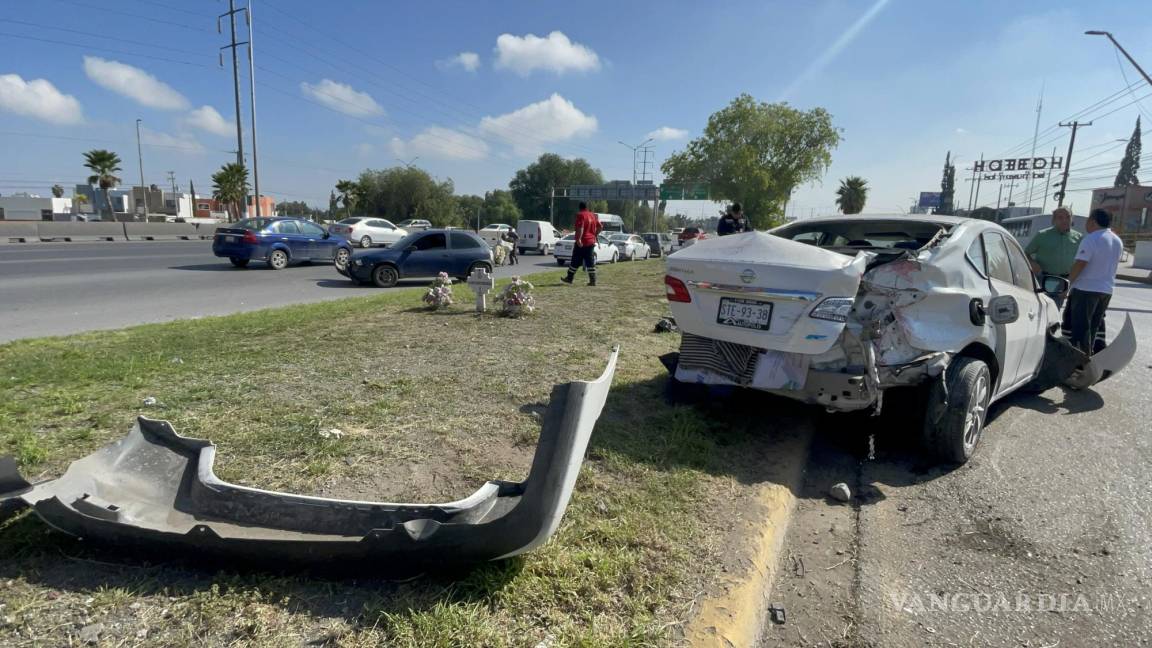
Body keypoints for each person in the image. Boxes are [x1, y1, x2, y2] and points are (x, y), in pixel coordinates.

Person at [1062, 209, 1122, 354]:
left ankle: (1078, 363)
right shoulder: (1117, 240)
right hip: (1106, 290)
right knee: (1093, 328)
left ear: (1093, 221)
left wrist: (1067, 284)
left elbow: (1080, 264)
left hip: (1086, 290)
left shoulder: (1092, 238)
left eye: (1088, 220)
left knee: (1080, 329)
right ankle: (1089, 357)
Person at [1024, 207, 1082, 308]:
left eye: (1068, 217)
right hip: (1044, 279)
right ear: (1054, 220)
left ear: (1072, 219)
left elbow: (1081, 262)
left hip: (1063, 281)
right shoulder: (1042, 235)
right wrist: (1033, 263)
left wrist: (1069, 283)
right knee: (1039, 309)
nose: (1065, 220)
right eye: (1060, 217)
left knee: (1054, 310)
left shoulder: (1079, 238)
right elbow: (1025, 254)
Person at [562, 202, 601, 286]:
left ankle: (569, 278)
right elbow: (600, 226)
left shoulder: (580, 215)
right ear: (587, 207)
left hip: (582, 242)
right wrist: (595, 234)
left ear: (580, 208)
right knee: (590, 262)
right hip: (591, 242)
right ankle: (593, 280)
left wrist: (579, 239)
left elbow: (581, 227)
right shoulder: (593, 215)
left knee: (575, 260)